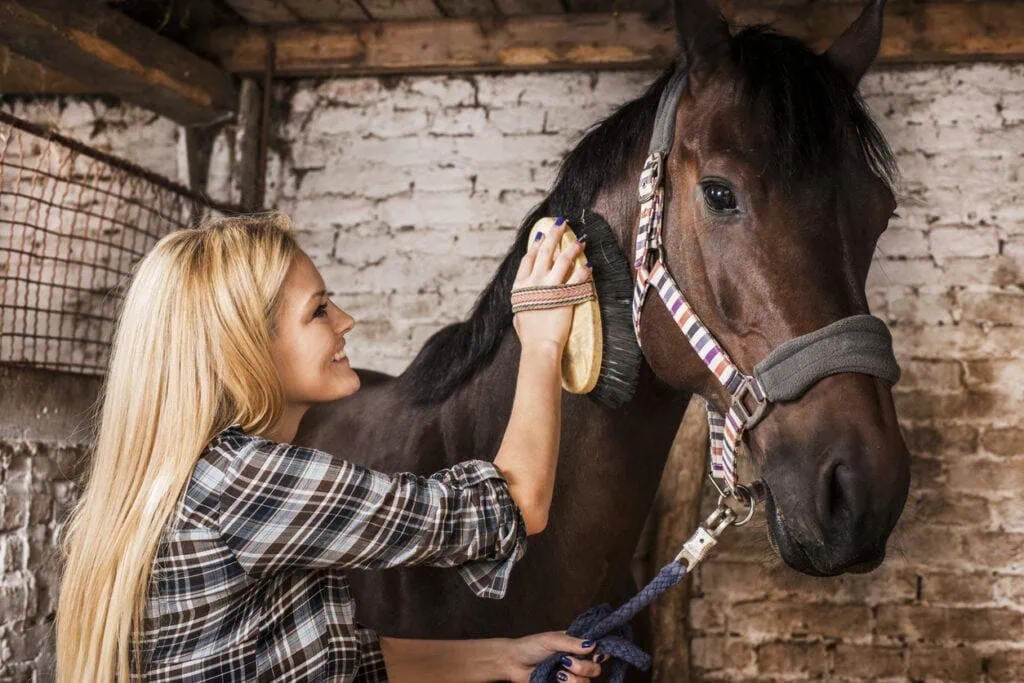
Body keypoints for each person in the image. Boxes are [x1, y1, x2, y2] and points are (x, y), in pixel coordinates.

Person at [55, 213, 605, 682]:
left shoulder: (194, 478)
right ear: (246, 345)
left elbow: (337, 658)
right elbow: (510, 506)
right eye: (319, 310)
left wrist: (506, 657)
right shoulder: (244, 482)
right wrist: (541, 339)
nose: (345, 321)